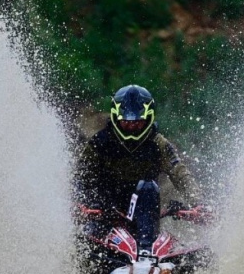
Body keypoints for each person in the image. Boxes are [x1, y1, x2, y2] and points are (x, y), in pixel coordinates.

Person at [75, 84, 210, 252]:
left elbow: (181, 174)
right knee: (79, 245)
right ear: (116, 118)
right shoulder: (99, 143)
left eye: (138, 123)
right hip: (104, 213)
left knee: (148, 186)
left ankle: (146, 253)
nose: (132, 127)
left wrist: (199, 204)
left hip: (145, 218)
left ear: (148, 118)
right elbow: (80, 177)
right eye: (126, 122)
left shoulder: (159, 144)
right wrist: (79, 204)